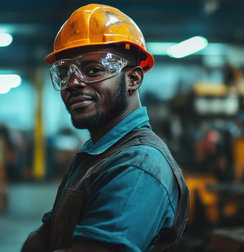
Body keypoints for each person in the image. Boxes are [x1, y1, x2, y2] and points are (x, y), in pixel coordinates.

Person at [21, 4, 189, 252]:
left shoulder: (139, 164)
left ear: (133, 79)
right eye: (65, 72)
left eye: (93, 70)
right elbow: (47, 233)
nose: (74, 82)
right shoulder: (94, 153)